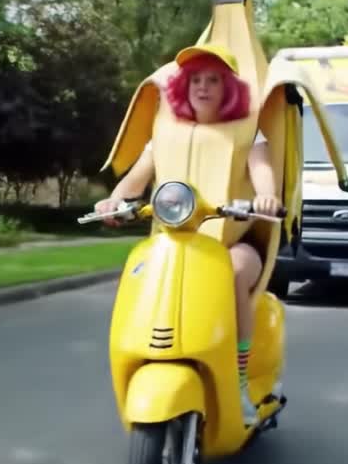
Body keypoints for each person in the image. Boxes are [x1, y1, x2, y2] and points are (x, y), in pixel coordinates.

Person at [94, 43, 280, 427]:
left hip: (232, 240)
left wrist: (266, 196)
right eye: (196, 78)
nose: (203, 86)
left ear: (228, 88)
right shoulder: (164, 133)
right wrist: (113, 202)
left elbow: (262, 171)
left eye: (213, 79)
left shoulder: (248, 133)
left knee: (232, 272)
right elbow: (134, 181)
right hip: (176, 243)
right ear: (183, 86)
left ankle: (240, 382)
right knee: (139, 271)